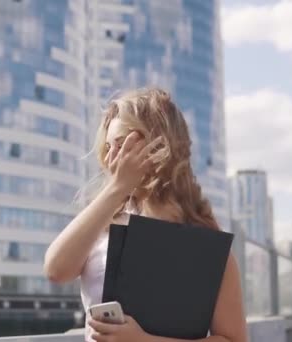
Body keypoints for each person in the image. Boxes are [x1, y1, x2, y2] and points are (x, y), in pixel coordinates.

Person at [44, 88, 247, 342]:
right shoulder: (102, 225)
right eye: (108, 147)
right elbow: (55, 270)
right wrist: (117, 188)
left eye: (122, 144)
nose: (112, 157)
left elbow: (234, 340)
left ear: (159, 144)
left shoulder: (206, 244)